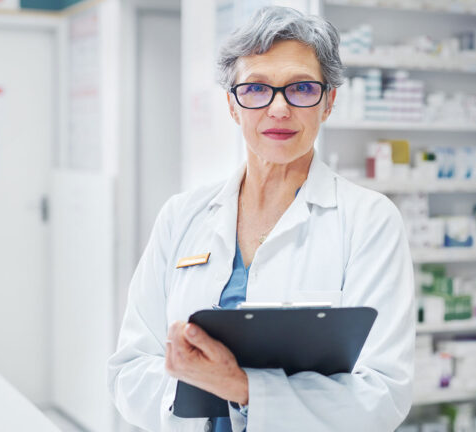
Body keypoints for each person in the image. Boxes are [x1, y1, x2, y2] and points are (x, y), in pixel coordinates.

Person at [107, 6, 414, 432]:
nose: (278, 109)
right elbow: (129, 368)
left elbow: (384, 393)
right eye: (255, 89)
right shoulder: (182, 216)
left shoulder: (369, 220)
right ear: (233, 106)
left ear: (328, 102)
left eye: (301, 88)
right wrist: (195, 393)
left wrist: (244, 389)